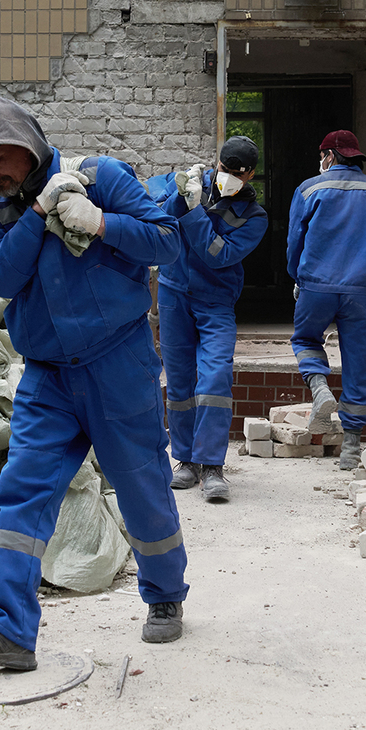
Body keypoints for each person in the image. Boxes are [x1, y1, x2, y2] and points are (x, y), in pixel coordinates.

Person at [0, 97, 191, 669]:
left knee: (141, 485)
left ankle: (166, 596)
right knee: (22, 490)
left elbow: (167, 243)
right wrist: (34, 217)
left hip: (118, 364)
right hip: (47, 377)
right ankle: (8, 629)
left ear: (29, 147)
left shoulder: (101, 177)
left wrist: (99, 222)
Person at [147, 136, 268, 502]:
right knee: (180, 380)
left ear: (249, 175)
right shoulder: (186, 181)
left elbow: (219, 254)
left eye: (237, 173)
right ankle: (185, 461)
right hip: (173, 293)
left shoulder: (254, 216)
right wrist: (180, 195)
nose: (228, 176)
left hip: (215, 302)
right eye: (224, 168)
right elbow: (153, 214)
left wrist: (193, 211)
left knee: (214, 377)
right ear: (216, 163)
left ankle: (212, 465)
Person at [286, 129, 366, 469]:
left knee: (306, 339)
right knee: (359, 363)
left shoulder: (309, 189)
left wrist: (298, 277)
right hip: (361, 292)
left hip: (316, 287)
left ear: (330, 157)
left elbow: (295, 241)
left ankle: (319, 386)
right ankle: (351, 447)